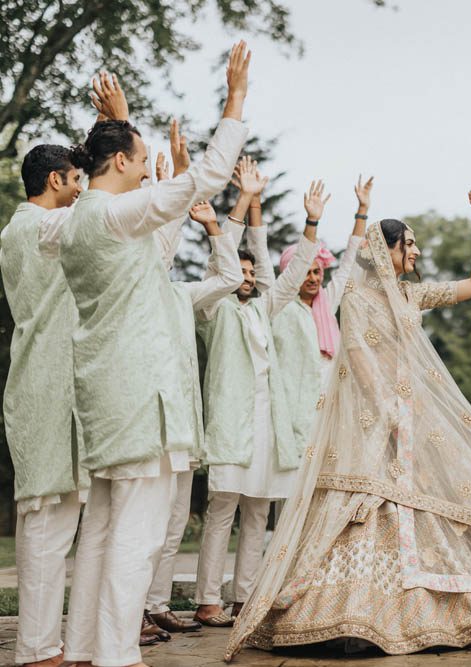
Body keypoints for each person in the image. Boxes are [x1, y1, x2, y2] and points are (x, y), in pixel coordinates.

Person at [225, 195, 471, 658]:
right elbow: (359, 358)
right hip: (372, 424)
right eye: (407, 244)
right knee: (366, 507)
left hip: (413, 422)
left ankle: (435, 612)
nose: (415, 251)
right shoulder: (357, 298)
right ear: (385, 249)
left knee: (429, 503)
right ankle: (344, 613)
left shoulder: (412, 294)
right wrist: (390, 414)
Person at [58, 43, 250, 667]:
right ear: (120, 161)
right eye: (141, 162)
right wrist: (235, 100)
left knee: (100, 532)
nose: (149, 172)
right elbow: (204, 180)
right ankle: (117, 656)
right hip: (140, 399)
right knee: (135, 538)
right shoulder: (116, 216)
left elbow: (157, 226)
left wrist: (120, 121)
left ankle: (83, 649)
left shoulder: (77, 222)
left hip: (105, 398)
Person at [192, 174, 323, 628]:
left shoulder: (264, 309)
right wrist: (232, 213)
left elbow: (291, 276)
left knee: (258, 513)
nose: (248, 279)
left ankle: (245, 599)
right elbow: (220, 264)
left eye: (251, 274)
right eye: (242, 274)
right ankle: (208, 600)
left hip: (269, 427)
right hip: (232, 426)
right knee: (221, 511)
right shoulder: (213, 310)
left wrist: (311, 222)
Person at [141, 123, 245, 638]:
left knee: (175, 520)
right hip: (147, 423)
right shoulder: (133, 297)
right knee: (145, 523)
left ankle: (156, 604)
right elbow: (154, 237)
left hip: (184, 426)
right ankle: (133, 610)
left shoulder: (182, 295)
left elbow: (229, 278)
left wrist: (213, 229)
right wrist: (170, 195)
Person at [2, 143, 86, 667]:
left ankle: (47, 642)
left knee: (57, 524)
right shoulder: (36, 227)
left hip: (54, 387)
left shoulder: (31, 226)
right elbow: (98, 213)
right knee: (43, 522)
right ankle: (35, 649)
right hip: (42, 387)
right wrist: (110, 132)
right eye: (76, 179)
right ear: (55, 180)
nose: (81, 189)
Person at [272, 175, 369, 460]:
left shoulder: (326, 302)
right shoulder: (280, 308)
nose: (313, 278)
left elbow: (349, 262)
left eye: (317, 271)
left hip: (330, 394)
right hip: (291, 398)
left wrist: (362, 210)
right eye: (305, 272)